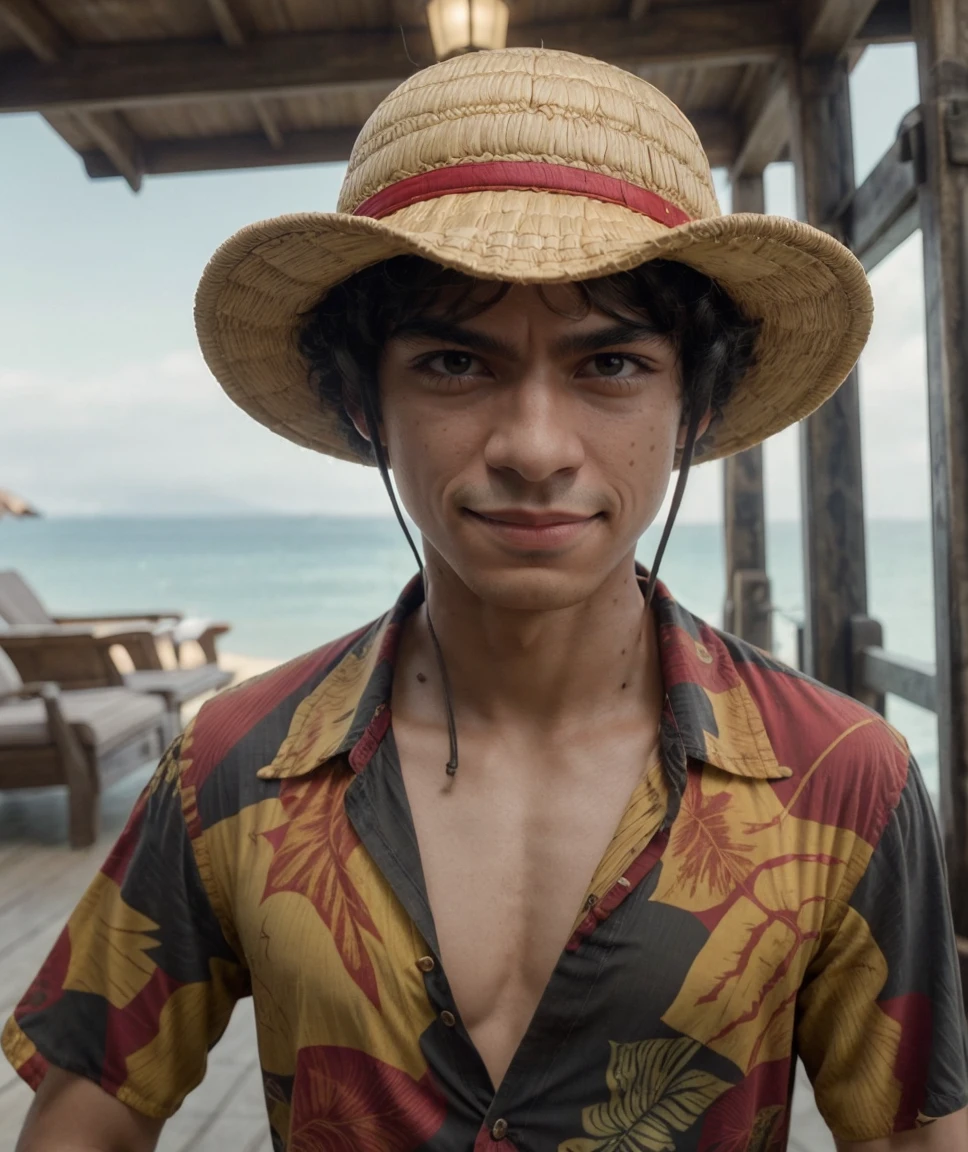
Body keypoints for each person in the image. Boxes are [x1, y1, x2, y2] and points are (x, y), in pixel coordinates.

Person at [6, 47, 968, 1152]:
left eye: (608, 364)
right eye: (454, 365)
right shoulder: (231, 763)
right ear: (362, 400)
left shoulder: (840, 780)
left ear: (692, 403)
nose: (532, 447)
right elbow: (84, 1121)